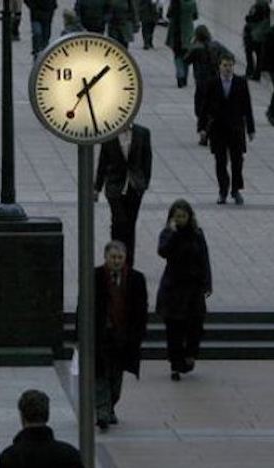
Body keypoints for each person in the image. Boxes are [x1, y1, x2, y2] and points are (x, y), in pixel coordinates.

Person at [91, 241, 148, 429]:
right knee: (100, 374)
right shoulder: (94, 276)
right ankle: (102, 411)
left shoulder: (136, 279)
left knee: (116, 377)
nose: (116, 261)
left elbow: (141, 309)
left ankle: (110, 406)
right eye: (113, 257)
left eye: (120, 258)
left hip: (123, 337)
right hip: (101, 335)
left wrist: (138, 335)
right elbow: (83, 305)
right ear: (105, 257)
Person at [156, 200, 211, 381]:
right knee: (174, 327)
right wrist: (172, 233)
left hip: (193, 287)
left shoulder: (197, 234)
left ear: (189, 217)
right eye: (177, 217)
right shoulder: (168, 234)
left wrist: (207, 283)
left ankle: (190, 354)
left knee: (195, 324)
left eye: (183, 216)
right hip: (174, 287)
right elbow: (163, 251)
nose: (180, 220)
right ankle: (175, 364)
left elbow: (204, 258)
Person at [93, 121, 151, 265]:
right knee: (119, 221)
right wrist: (97, 187)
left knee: (130, 224)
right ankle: (114, 255)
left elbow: (147, 159)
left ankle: (128, 261)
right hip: (115, 186)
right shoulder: (110, 135)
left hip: (134, 186)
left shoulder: (142, 132)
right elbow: (103, 162)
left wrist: (144, 183)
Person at [206, 53, 255, 205]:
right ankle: (223, 189)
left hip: (236, 128)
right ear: (219, 66)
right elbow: (205, 106)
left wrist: (251, 129)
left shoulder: (241, 82)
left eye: (230, 65)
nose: (228, 68)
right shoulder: (213, 83)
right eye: (225, 65)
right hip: (218, 129)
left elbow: (247, 107)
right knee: (220, 161)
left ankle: (236, 190)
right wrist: (202, 127)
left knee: (237, 161)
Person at [184, 25, 230, 145]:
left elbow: (186, 60)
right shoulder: (217, 45)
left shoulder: (196, 48)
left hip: (201, 83)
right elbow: (230, 56)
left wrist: (192, 44)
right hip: (216, 81)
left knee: (200, 109)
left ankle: (204, 132)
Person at [165, 0, 197, 88]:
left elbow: (168, 14)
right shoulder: (192, 3)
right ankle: (185, 78)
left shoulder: (174, 2)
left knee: (177, 55)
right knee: (186, 56)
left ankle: (180, 75)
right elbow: (195, 16)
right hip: (187, 33)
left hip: (176, 32)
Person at [242, 0, 271, 80]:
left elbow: (251, 17)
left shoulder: (258, 5)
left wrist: (247, 17)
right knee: (259, 56)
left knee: (249, 53)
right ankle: (257, 75)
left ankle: (250, 72)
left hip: (253, 34)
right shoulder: (266, 7)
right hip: (260, 35)